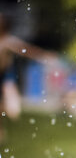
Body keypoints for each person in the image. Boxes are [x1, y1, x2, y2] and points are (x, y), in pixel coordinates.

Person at [0, 13, 58, 143]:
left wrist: (44, 55)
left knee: (12, 109)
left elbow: (26, 50)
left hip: (6, 75)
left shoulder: (9, 41)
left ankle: (8, 108)